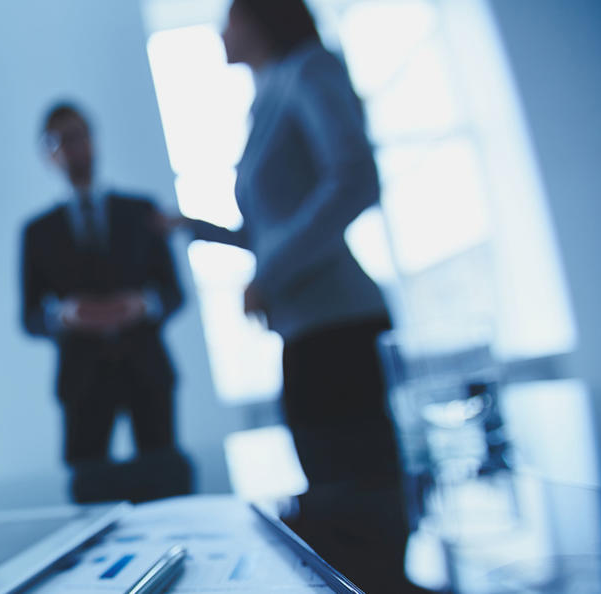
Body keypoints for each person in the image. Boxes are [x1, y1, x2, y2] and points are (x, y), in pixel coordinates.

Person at [161, 1, 419, 591]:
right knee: (333, 498)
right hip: (305, 328)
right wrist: (193, 227)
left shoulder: (309, 70)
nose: (220, 32)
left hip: (336, 322)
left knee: (356, 500)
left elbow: (354, 178)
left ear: (258, 20)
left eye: (228, 17)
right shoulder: (268, 95)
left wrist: (268, 272)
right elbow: (270, 226)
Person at [21, 102, 191, 503]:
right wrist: (64, 315)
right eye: (61, 141)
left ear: (94, 141)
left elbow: (173, 293)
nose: (73, 148)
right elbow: (30, 316)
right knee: (90, 496)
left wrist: (141, 305)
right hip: (82, 381)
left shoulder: (141, 211)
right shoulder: (37, 232)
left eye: (79, 136)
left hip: (147, 371)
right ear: (48, 154)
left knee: (166, 486)